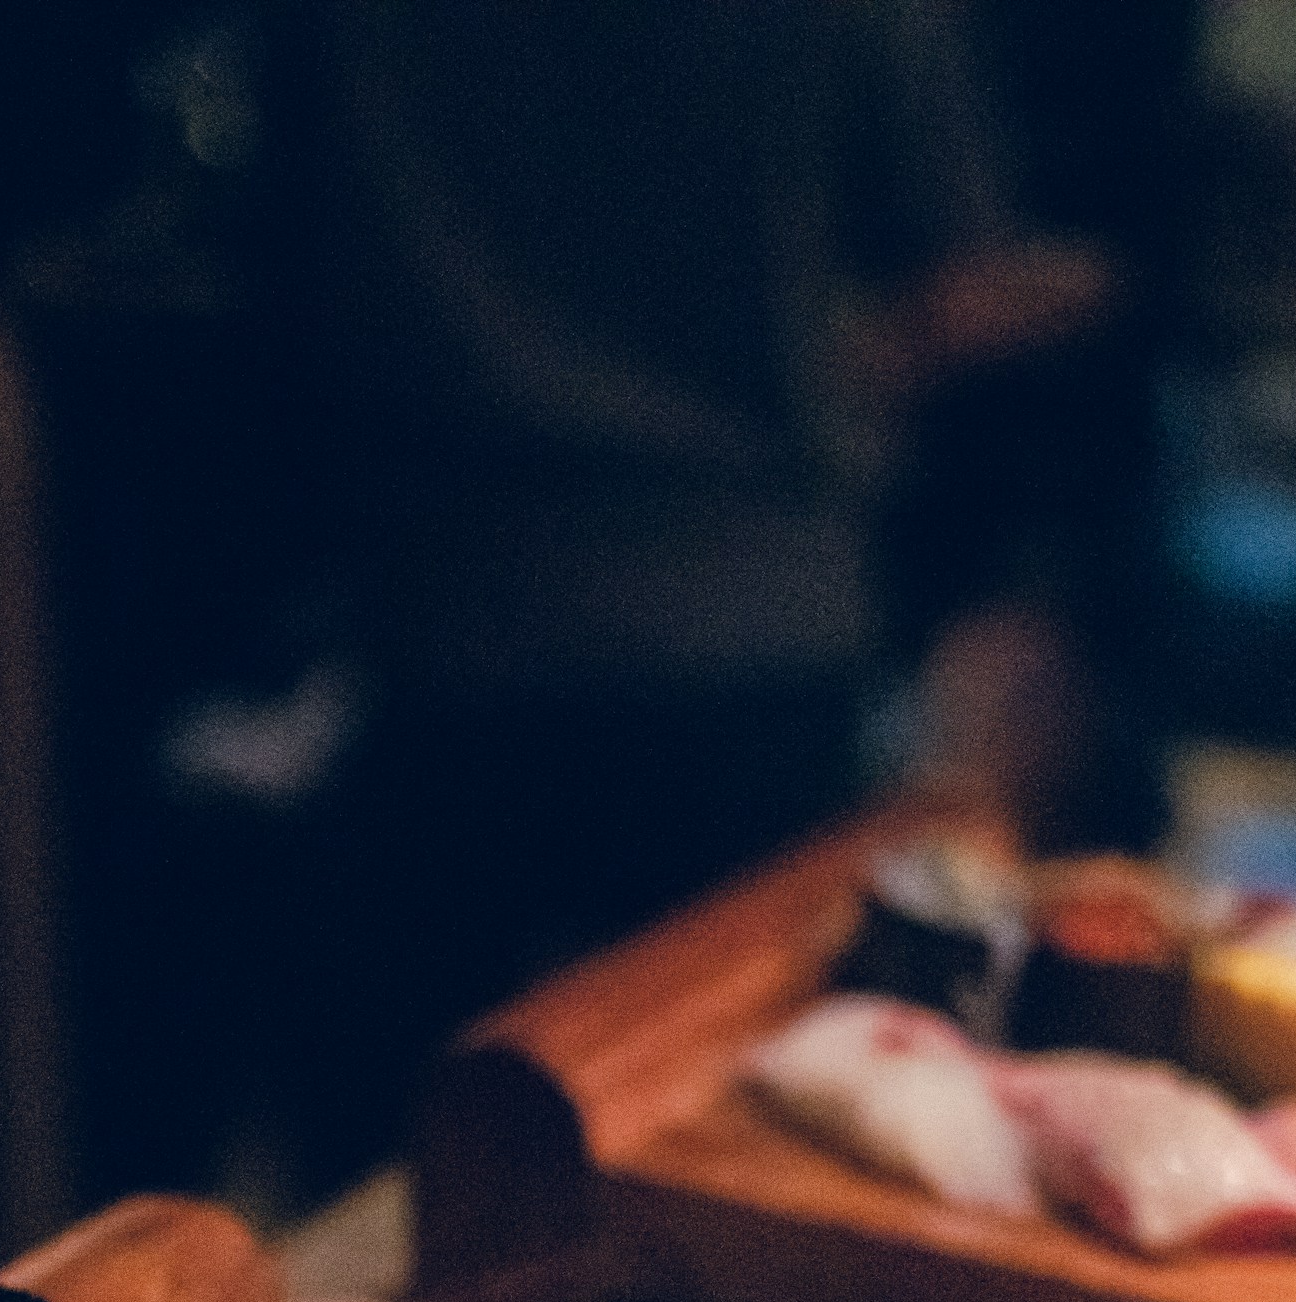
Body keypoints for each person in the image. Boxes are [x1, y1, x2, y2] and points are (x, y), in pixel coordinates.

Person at [236, 0, 1105, 1180]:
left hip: (443, 619)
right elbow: (959, 283)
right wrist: (811, 362)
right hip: (753, 621)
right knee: (738, 1175)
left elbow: (274, 255)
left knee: (415, 1192)